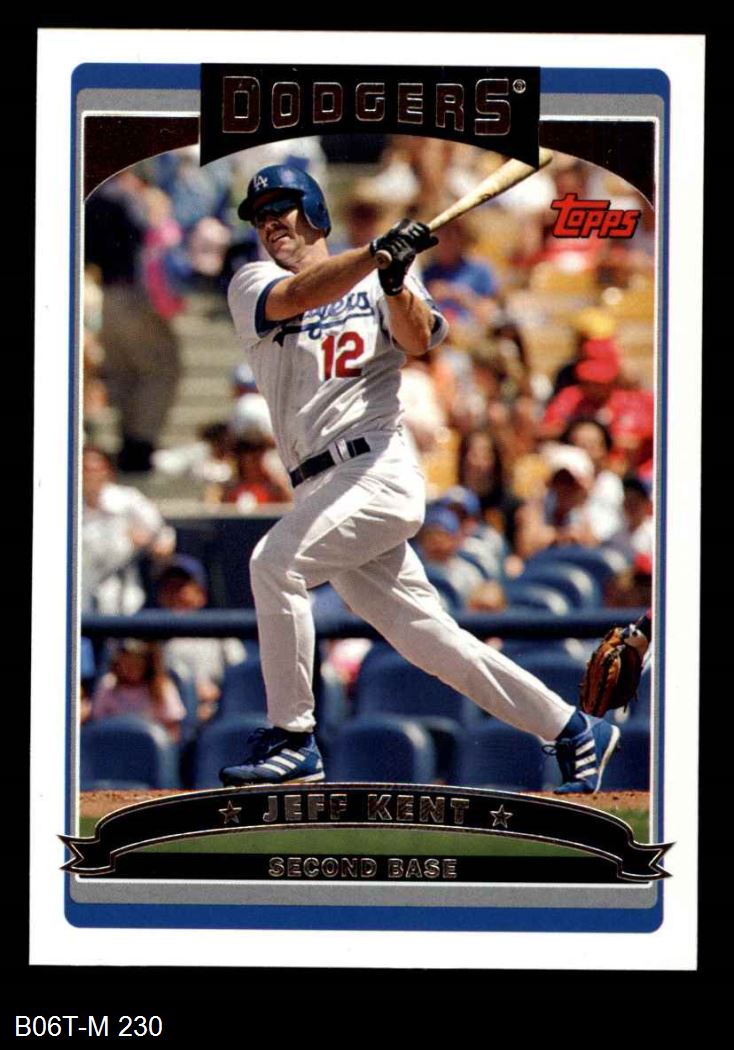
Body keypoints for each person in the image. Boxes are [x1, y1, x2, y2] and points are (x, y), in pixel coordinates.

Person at [220, 163, 619, 793]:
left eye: (282, 208)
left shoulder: (382, 274)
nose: (271, 222)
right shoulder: (252, 282)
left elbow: (419, 339)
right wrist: (373, 256)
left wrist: (394, 280)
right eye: (261, 215)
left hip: (376, 468)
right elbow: (298, 298)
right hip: (318, 485)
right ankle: (569, 726)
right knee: (426, 637)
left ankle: (293, 738)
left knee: (274, 564)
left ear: (316, 211)